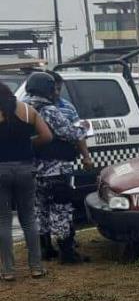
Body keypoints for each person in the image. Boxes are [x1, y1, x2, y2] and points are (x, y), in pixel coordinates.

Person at [23, 72, 89, 264]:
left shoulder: (23, 108)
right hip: (56, 169)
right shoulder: (48, 110)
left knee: (40, 210)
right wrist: (83, 128)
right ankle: (67, 253)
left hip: (33, 170)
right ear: (47, 89)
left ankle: (45, 250)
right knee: (61, 210)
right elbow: (69, 133)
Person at [0, 80, 52, 280]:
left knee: (3, 220)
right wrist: (29, 145)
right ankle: (36, 267)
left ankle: (7, 271)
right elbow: (47, 136)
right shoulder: (27, 110)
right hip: (25, 169)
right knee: (29, 218)